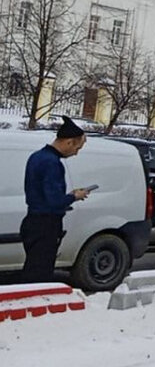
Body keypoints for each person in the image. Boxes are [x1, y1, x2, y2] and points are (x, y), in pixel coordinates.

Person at [20, 116, 90, 283]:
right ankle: (34, 304)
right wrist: (74, 196)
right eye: (77, 148)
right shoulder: (52, 163)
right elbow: (54, 200)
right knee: (40, 274)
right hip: (46, 225)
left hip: (32, 221)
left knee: (32, 267)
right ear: (69, 142)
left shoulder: (36, 156)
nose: (76, 153)